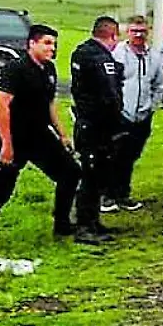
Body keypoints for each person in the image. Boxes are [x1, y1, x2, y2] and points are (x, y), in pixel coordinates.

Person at [0, 24, 88, 260]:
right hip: (13, 137)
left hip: (39, 136)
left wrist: (62, 134)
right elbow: (2, 107)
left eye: (54, 44)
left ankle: (61, 224)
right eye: (47, 43)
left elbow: (50, 104)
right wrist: (6, 145)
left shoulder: (48, 69)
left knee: (70, 173)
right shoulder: (16, 69)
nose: (52, 48)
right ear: (32, 44)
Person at [68, 16, 124, 242]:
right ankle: (85, 226)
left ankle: (92, 221)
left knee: (95, 175)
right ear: (112, 35)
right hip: (98, 127)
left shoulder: (80, 52)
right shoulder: (101, 59)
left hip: (85, 122)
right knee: (92, 177)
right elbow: (110, 95)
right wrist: (117, 124)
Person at [106, 15, 163, 211]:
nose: (138, 35)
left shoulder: (155, 56)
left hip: (143, 116)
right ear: (126, 32)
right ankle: (108, 195)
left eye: (142, 31)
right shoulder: (117, 55)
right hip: (121, 114)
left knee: (131, 156)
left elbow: (159, 84)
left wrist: (152, 106)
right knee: (114, 155)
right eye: (134, 31)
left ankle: (123, 194)